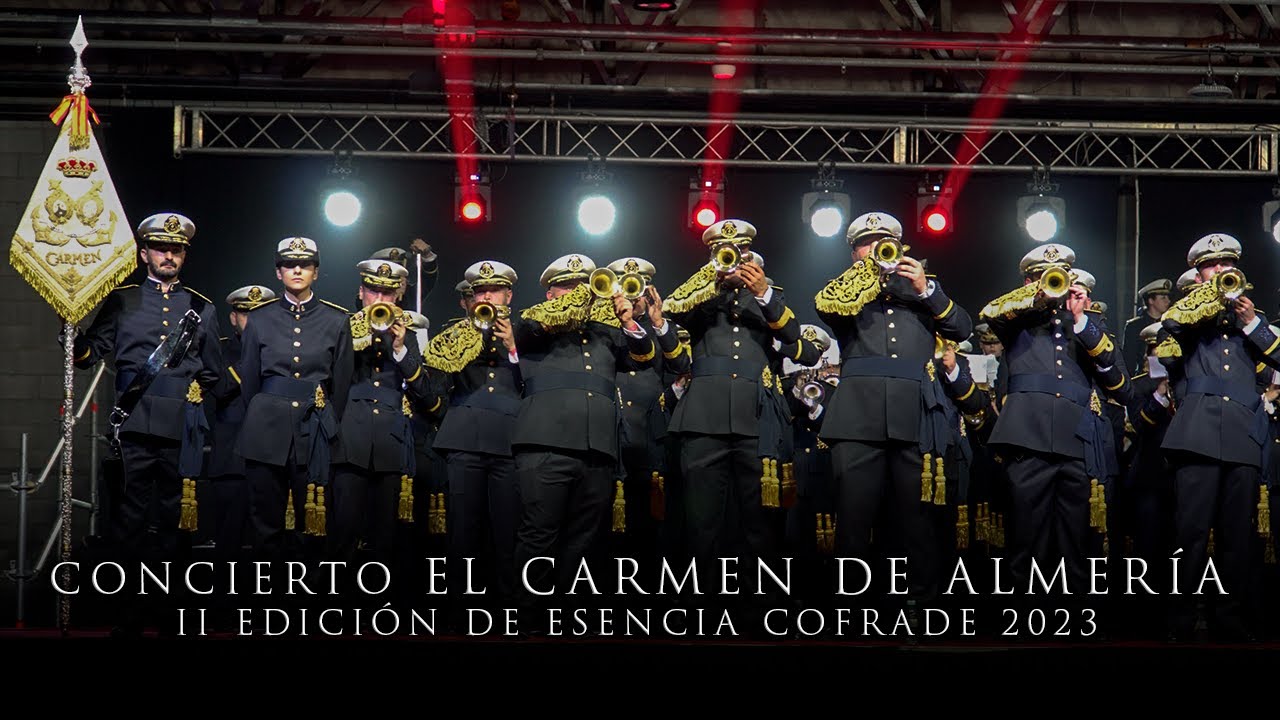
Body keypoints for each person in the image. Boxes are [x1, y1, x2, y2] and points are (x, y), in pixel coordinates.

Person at [813, 211, 980, 619]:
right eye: (866, 244)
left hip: (912, 416)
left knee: (917, 517)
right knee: (854, 516)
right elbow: (828, 310)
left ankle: (922, 603)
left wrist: (925, 288)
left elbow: (962, 327)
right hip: (857, 418)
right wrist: (868, 275)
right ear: (854, 252)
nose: (876, 250)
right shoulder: (846, 292)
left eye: (884, 242)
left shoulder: (922, 291)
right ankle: (851, 605)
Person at [71, 212, 225, 635]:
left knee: (177, 525)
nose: (169, 255)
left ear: (184, 257)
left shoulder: (201, 307)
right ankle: (128, 616)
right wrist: (72, 336)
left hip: (181, 428)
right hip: (133, 426)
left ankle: (172, 614)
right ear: (144, 254)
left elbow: (213, 371)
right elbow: (90, 355)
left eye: (176, 250)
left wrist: (212, 406)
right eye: (161, 248)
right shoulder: (123, 299)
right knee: (129, 524)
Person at [509, 253, 679, 629]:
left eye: (586, 284)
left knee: (585, 542)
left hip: (598, 448)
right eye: (571, 285)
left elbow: (643, 358)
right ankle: (527, 621)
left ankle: (570, 623)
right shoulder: (536, 323)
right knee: (540, 535)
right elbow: (526, 332)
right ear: (553, 293)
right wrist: (578, 302)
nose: (582, 291)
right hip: (546, 444)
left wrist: (626, 319)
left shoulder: (605, 331)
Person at [662, 219, 823, 607]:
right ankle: (702, 606)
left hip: (755, 420)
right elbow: (669, 317)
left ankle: (758, 608)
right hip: (704, 419)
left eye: (739, 252)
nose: (734, 259)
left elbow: (796, 341)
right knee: (702, 521)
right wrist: (710, 279)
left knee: (759, 521)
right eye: (724, 251)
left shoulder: (770, 296)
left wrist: (764, 293)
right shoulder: (699, 298)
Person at [978, 243, 1132, 616]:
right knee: (1026, 533)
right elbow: (989, 311)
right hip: (1027, 437)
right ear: (1028, 281)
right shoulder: (1015, 320)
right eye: (1041, 276)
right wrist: (1039, 296)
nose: (1052, 282)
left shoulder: (1084, 326)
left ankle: (1075, 616)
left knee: (1075, 535)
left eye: (1060, 274)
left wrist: (1081, 321)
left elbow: (1121, 385)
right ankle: (1024, 614)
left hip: (1075, 441)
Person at [1158, 233, 1280, 642]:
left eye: (1227, 265)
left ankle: (1230, 617)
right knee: (1190, 533)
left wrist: (1250, 323)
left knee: (1236, 536)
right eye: (1212, 266)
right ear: (1197, 273)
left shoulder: (1252, 318)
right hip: (1197, 434)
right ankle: (1180, 619)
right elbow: (1170, 332)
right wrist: (1209, 300)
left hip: (1242, 436)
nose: (1221, 272)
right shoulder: (1189, 314)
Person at [235, 236, 354, 567]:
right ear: (278, 273)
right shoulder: (259, 318)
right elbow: (250, 381)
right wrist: (264, 414)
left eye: (305, 265)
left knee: (314, 521)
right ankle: (267, 606)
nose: (297, 269)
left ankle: (310, 606)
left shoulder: (336, 320)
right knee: (265, 522)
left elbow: (341, 385)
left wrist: (327, 421)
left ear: (316, 272)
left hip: (314, 428)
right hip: (266, 428)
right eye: (289, 265)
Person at [425, 260, 524, 610]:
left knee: (507, 530)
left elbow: (535, 382)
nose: (487, 296)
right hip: (464, 438)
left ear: (507, 295)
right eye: (480, 291)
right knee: (462, 531)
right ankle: (458, 608)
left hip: (510, 439)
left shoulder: (525, 330)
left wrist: (512, 346)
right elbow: (434, 381)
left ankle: (508, 607)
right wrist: (475, 334)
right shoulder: (455, 334)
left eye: (493, 290)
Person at [330, 258, 435, 587]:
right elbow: (334, 381)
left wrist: (401, 347)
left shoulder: (412, 332)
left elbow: (424, 391)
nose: (380, 300)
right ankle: (337, 607)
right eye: (373, 291)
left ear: (398, 297)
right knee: (344, 528)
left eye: (387, 294)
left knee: (387, 532)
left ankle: (383, 607)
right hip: (351, 438)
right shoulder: (343, 326)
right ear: (361, 293)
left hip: (391, 440)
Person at [1122, 278, 1173, 371]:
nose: (1168, 301)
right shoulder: (1134, 326)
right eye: (1163, 298)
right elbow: (1129, 358)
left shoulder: (1171, 324)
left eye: (1168, 297)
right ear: (1151, 300)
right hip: (1145, 377)